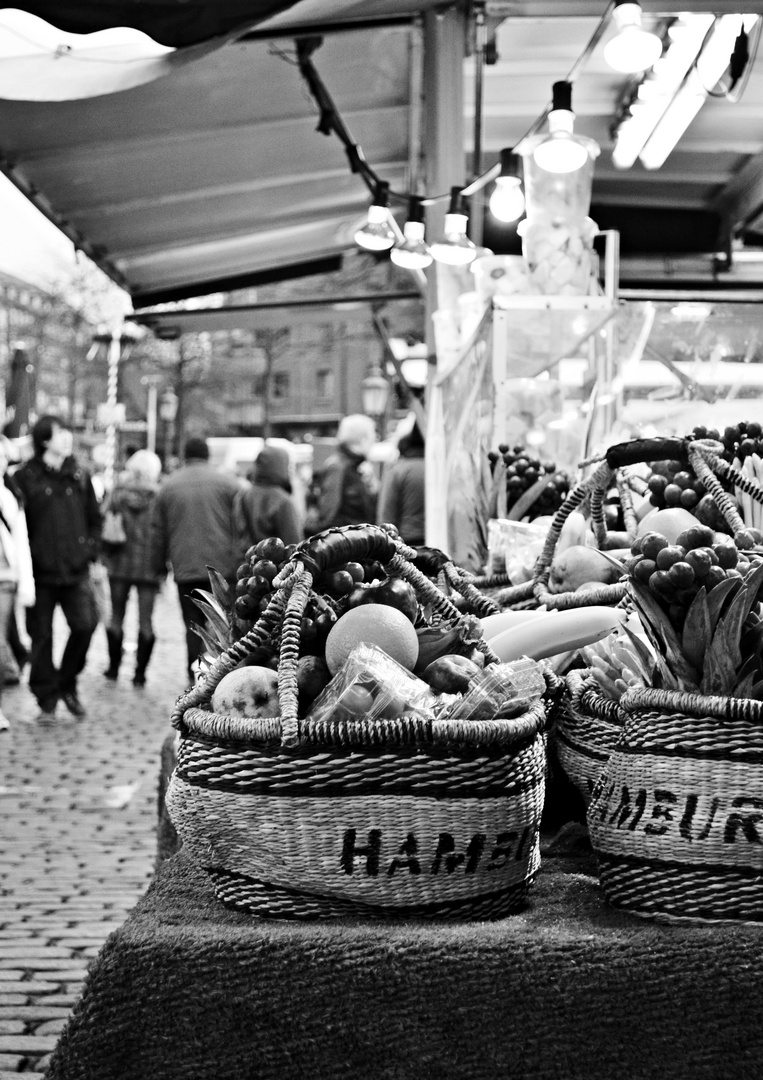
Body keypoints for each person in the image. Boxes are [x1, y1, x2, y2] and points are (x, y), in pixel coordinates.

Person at [14, 416, 101, 721]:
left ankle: (67, 682)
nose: (67, 438)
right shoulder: (25, 477)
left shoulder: (78, 474)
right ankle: (46, 695)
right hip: (39, 573)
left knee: (86, 625)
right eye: (60, 433)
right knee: (41, 636)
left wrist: (89, 550)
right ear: (44, 440)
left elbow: (94, 516)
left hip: (75, 570)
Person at [150, 436, 240, 681]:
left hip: (185, 566)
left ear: (184, 455)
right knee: (223, 625)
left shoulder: (168, 486)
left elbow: (157, 532)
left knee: (193, 626)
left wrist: (158, 567)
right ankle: (222, 676)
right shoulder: (229, 484)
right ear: (207, 455)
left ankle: (195, 674)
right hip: (222, 568)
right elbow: (240, 526)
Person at [101, 449, 164, 686]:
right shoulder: (159, 496)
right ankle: (139, 674)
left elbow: (102, 518)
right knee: (146, 621)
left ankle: (113, 668)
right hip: (149, 565)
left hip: (119, 563)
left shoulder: (118, 493)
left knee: (116, 616)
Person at [0, 436, 34, 730]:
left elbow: (20, 541)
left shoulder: (10, 495)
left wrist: (25, 581)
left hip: (4, 577)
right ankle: (17, 658)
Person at [313, 413, 378, 531]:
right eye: (373, 436)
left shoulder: (355, 467)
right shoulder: (338, 468)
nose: (374, 441)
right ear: (363, 439)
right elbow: (328, 515)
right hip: (347, 544)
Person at [234, 444, 303, 552]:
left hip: (249, 562)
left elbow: (236, 533)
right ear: (281, 466)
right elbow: (294, 544)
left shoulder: (243, 495)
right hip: (275, 566)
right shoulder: (282, 500)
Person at [377, 420, 426, 547]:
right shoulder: (438, 470)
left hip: (407, 542)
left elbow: (386, 513)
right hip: (437, 540)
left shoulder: (398, 470)